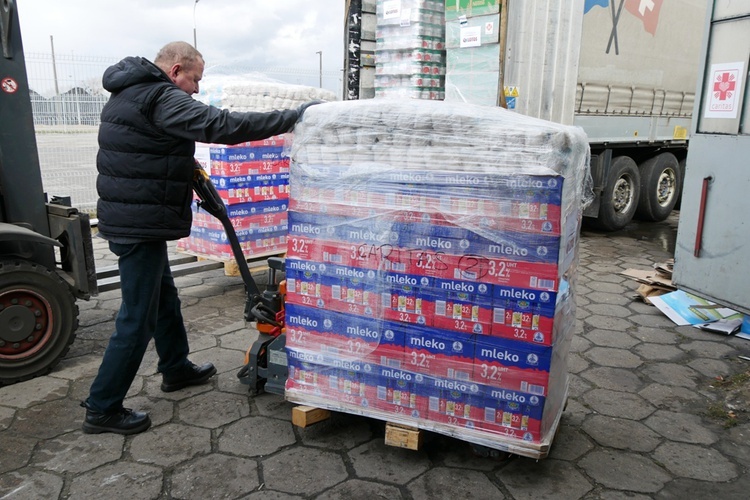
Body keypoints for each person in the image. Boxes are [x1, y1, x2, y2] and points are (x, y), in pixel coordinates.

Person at [82, 41, 320, 435]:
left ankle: (175, 368)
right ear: (176, 70)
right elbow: (222, 125)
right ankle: (102, 406)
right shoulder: (161, 96)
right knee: (136, 318)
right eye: (194, 80)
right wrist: (292, 117)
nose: (195, 89)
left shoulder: (129, 94)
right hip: (138, 224)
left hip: (135, 218)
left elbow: (147, 147)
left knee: (164, 299)